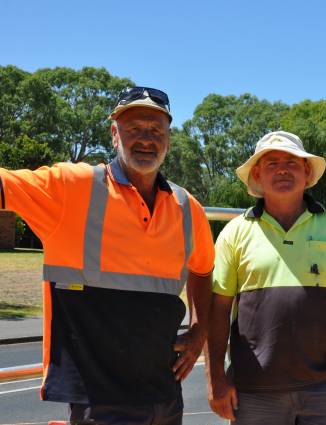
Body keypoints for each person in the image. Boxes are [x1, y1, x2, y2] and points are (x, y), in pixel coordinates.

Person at [0, 87, 214, 424]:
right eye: (134, 128)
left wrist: (199, 331)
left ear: (169, 139)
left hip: (165, 393)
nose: (146, 138)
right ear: (115, 135)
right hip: (99, 399)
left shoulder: (187, 208)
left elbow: (203, 270)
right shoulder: (72, 187)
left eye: (156, 130)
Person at [205, 131, 326, 424]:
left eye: (292, 161)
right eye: (272, 163)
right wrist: (214, 379)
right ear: (258, 175)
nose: (283, 169)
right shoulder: (236, 232)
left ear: (307, 171)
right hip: (254, 390)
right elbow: (218, 309)